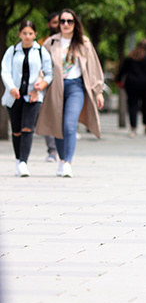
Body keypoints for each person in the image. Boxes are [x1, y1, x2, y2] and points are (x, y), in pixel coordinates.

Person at [36, 9, 105, 178]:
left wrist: (98, 91)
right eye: (62, 21)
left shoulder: (83, 43)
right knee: (57, 125)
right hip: (55, 88)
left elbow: (93, 67)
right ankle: (62, 160)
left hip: (76, 87)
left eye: (70, 21)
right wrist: (39, 80)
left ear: (75, 24)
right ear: (58, 24)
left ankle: (68, 162)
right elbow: (41, 65)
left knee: (69, 124)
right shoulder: (51, 43)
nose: (66, 24)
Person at [2, 21, 53, 177]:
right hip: (14, 96)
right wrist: (11, 87)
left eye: (30, 33)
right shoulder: (12, 51)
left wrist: (40, 86)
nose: (27, 36)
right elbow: (5, 71)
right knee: (16, 130)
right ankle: (18, 159)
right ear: (19, 34)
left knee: (27, 128)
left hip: (33, 96)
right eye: (24, 33)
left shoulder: (41, 51)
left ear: (35, 35)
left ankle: (24, 162)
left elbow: (49, 73)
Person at [117, 38, 146, 137]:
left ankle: (133, 128)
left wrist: (119, 80)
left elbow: (122, 70)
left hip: (132, 84)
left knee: (132, 105)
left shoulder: (131, 57)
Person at [39, 11, 60, 163]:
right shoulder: (44, 43)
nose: (59, 25)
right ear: (48, 25)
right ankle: (52, 150)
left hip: (65, 84)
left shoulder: (71, 42)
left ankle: (62, 149)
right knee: (48, 116)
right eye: (55, 22)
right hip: (48, 83)